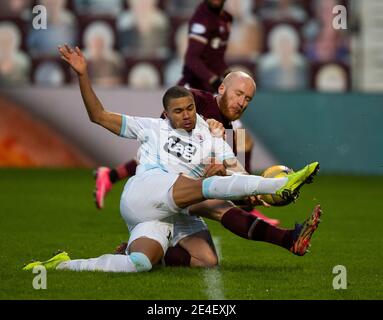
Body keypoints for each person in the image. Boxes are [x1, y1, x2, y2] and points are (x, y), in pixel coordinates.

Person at [22, 45, 321, 273]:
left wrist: (254, 196)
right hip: (149, 192)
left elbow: (234, 171)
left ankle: (65, 265)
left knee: (160, 262)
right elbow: (97, 115)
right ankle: (282, 187)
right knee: (207, 189)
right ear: (167, 112)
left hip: (174, 207)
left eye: (190, 109)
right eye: (178, 111)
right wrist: (83, 74)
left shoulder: (216, 132)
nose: (186, 115)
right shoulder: (155, 126)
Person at [178, 0, 232, 93]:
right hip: (194, 86)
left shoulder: (225, 18)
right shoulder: (201, 19)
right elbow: (191, 58)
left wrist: (229, 75)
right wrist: (212, 79)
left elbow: (216, 57)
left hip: (209, 88)